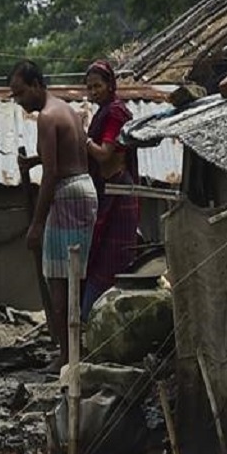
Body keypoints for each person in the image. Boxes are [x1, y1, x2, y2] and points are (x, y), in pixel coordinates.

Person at [11, 60, 98, 373]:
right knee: (77, 276)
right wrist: (34, 159)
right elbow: (68, 154)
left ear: (36, 85)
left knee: (59, 279)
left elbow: (52, 174)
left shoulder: (46, 118)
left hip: (65, 195)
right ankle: (75, 351)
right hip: (84, 190)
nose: (19, 100)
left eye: (20, 93)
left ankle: (68, 355)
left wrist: (36, 223)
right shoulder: (66, 110)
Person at [83, 59, 139, 317]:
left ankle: (105, 317)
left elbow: (105, 153)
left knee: (114, 258)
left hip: (119, 190)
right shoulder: (103, 112)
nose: (93, 92)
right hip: (108, 190)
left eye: (98, 86)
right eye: (89, 87)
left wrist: (83, 140)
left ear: (110, 85)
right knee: (100, 256)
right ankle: (94, 318)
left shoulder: (115, 112)